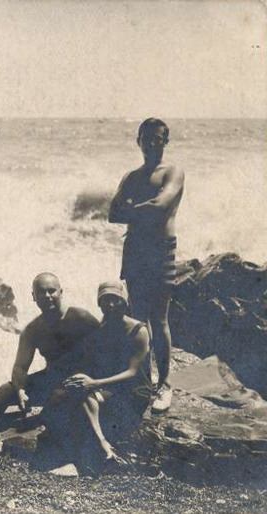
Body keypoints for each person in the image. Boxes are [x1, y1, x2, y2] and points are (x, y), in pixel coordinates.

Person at [0, 272, 100, 447]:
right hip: (52, 381)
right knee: (6, 389)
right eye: (41, 292)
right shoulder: (34, 329)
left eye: (52, 291)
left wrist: (95, 381)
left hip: (82, 381)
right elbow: (20, 367)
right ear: (33, 296)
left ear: (61, 292)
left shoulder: (81, 318)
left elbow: (105, 350)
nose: (47, 296)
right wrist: (20, 389)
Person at [109, 118, 184, 413]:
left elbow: (161, 206)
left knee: (159, 319)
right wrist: (141, 210)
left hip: (160, 251)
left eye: (158, 139)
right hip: (135, 250)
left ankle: (164, 384)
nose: (152, 144)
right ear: (137, 140)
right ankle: (141, 382)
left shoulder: (173, 172)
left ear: (166, 141)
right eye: (147, 138)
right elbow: (113, 214)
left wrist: (133, 209)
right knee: (137, 319)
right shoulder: (131, 177)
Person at [63, 281, 152, 464]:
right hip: (114, 389)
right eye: (105, 301)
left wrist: (94, 383)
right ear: (99, 304)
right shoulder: (102, 329)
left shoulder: (139, 330)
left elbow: (132, 372)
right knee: (78, 392)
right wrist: (80, 378)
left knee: (86, 397)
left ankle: (102, 444)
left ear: (125, 303)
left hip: (135, 392)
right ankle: (103, 443)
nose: (110, 306)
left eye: (115, 300)